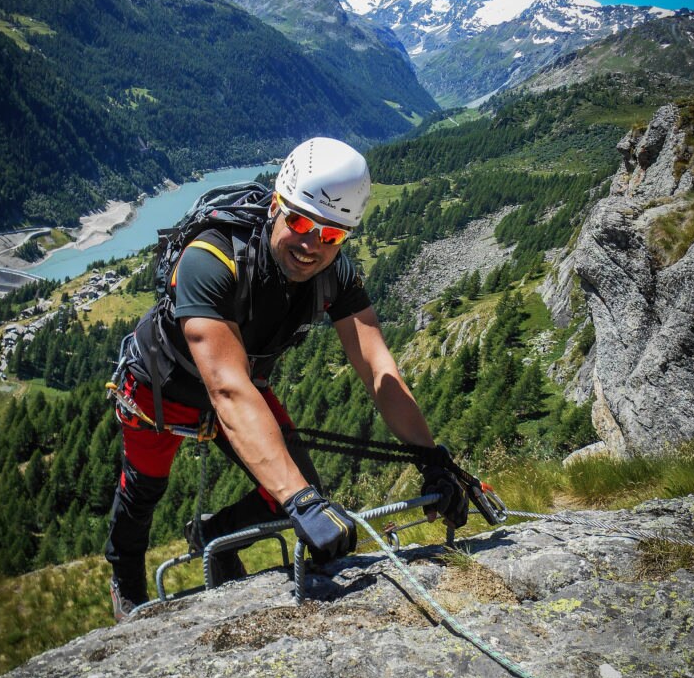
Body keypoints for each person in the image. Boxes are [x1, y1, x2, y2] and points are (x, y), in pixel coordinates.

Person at [106, 136, 468, 621]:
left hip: (242, 385)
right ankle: (126, 583)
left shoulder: (334, 274)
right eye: (300, 221)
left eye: (333, 235)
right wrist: (302, 502)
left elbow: (378, 369)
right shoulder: (210, 260)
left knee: (295, 490)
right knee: (143, 492)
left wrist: (431, 457)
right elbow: (227, 389)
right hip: (162, 388)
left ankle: (215, 534)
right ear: (277, 203)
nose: (311, 244)